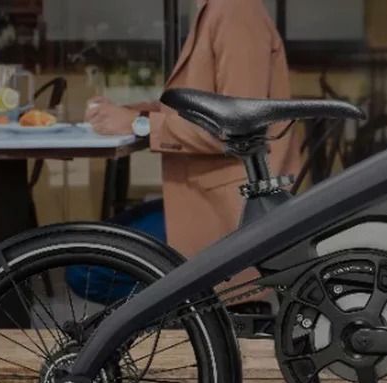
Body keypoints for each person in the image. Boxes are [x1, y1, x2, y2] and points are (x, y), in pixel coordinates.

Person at [85, 0, 302, 305]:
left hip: (229, 210)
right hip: (203, 198)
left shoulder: (234, 10)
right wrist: (133, 112)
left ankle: (199, 314)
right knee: (94, 251)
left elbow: (238, 123)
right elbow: (208, 106)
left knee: (88, 270)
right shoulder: (217, 9)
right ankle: (197, 316)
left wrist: (139, 124)